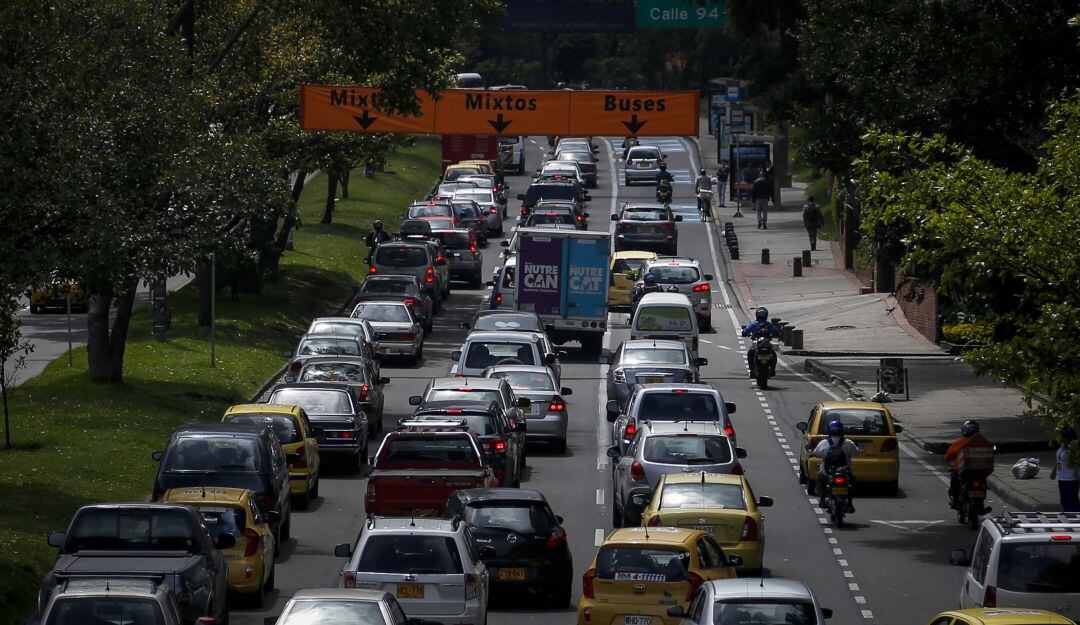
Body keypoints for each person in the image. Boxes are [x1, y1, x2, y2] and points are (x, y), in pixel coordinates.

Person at [943, 420, 994, 510]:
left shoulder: (959, 442)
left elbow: (947, 457)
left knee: (954, 482)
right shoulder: (983, 441)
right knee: (983, 483)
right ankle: (980, 504)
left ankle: (955, 500)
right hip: (981, 471)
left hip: (963, 472)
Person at [812, 420, 859, 511]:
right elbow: (856, 453)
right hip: (845, 472)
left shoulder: (824, 443)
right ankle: (850, 503)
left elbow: (816, 453)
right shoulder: (848, 443)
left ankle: (822, 500)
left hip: (828, 471)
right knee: (852, 481)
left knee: (820, 477)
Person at [740, 307, 780, 375]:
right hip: (764, 344)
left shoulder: (754, 324)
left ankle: (752, 370)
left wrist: (744, 332)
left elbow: (745, 331)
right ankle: (772, 369)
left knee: (750, 353)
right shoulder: (768, 324)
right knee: (773, 354)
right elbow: (777, 332)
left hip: (760, 344)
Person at [1054, 427, 1079, 512]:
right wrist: (1054, 472)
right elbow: (1059, 460)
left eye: (1063, 437)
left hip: (1070, 479)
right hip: (1061, 478)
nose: (1061, 439)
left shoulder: (1074, 449)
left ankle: (1075, 519)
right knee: (1064, 501)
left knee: (1071, 501)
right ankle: (1069, 519)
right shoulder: (1063, 447)